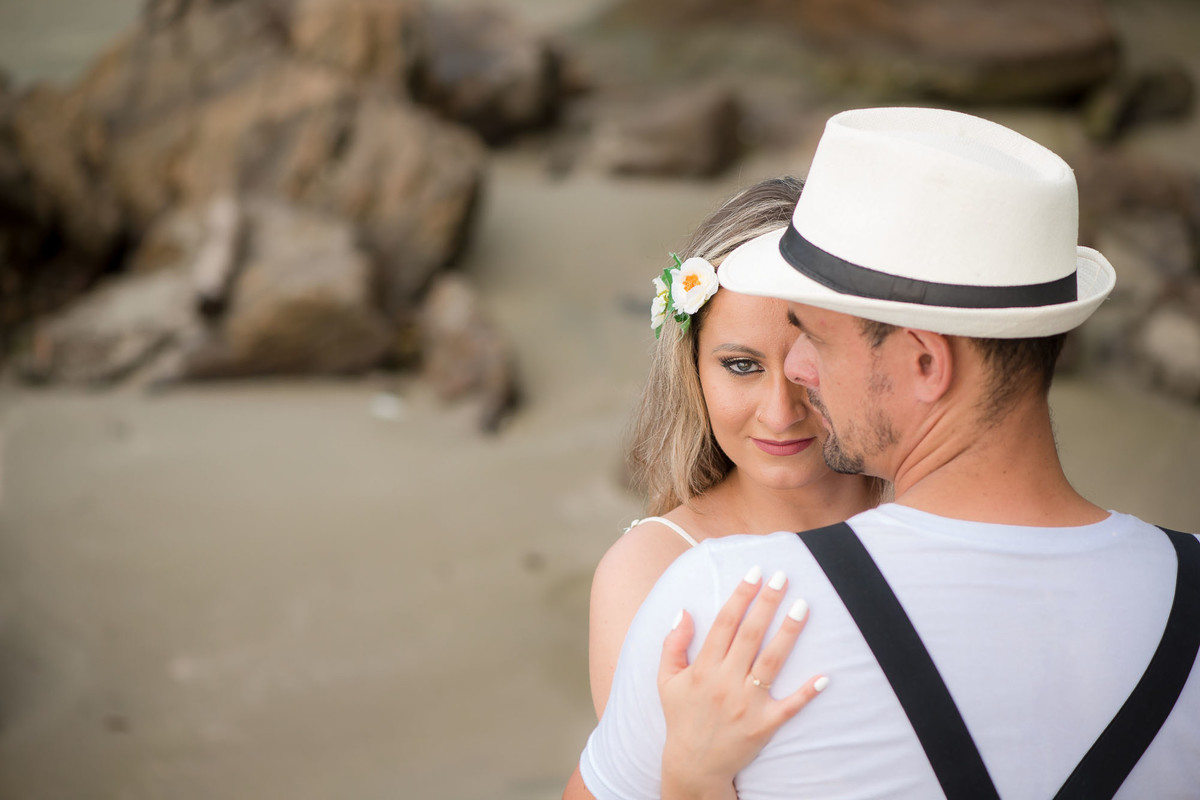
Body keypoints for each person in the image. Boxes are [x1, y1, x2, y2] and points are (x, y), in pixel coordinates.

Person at [566, 106, 1200, 800]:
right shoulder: (669, 576)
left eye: (815, 340)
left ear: (927, 364)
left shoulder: (722, 591)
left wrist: (690, 783)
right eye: (743, 365)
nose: (791, 391)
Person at [590, 177, 883, 720]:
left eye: (811, 365)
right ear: (691, 369)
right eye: (742, 366)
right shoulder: (646, 575)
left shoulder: (940, 517)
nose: (780, 411)